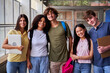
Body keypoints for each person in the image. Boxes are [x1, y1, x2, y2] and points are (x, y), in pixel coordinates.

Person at [44, 7, 72, 73]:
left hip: (65, 58)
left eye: (52, 13)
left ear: (56, 15)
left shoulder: (63, 24)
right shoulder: (46, 27)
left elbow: (70, 38)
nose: (50, 15)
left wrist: (70, 51)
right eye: (48, 14)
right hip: (53, 59)